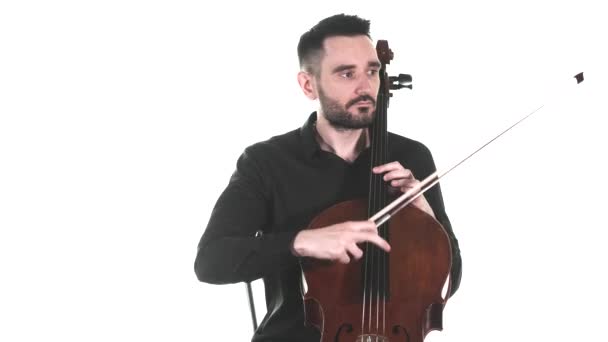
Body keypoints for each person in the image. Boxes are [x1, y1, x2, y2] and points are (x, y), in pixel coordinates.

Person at [194, 13, 462, 342]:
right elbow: (211, 261)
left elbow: (450, 278)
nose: (366, 87)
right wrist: (304, 241)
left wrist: (424, 211)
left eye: (372, 71)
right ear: (309, 85)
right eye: (346, 73)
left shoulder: (411, 157)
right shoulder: (266, 162)